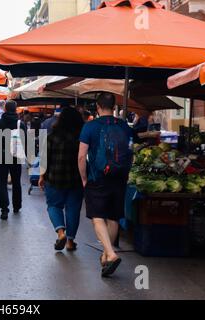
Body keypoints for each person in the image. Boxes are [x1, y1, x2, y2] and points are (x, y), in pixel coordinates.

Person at [78, 92, 133, 277]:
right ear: (114, 106)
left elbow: (81, 156)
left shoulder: (90, 126)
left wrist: (84, 178)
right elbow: (130, 150)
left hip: (97, 177)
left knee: (97, 217)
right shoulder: (124, 126)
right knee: (113, 217)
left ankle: (110, 253)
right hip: (119, 177)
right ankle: (105, 255)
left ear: (98, 106)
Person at [39, 107, 84, 251]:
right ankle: (70, 242)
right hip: (75, 179)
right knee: (73, 209)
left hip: (54, 178)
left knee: (53, 206)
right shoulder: (80, 139)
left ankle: (61, 233)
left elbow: (44, 159)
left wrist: (41, 176)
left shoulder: (52, 137)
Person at [0, 100, 27, 220]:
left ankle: (4, 210)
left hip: (1, 156)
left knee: (2, 182)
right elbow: (26, 142)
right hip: (16, 156)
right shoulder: (20, 124)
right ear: (16, 109)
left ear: (5, 109)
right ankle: (17, 206)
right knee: (16, 182)